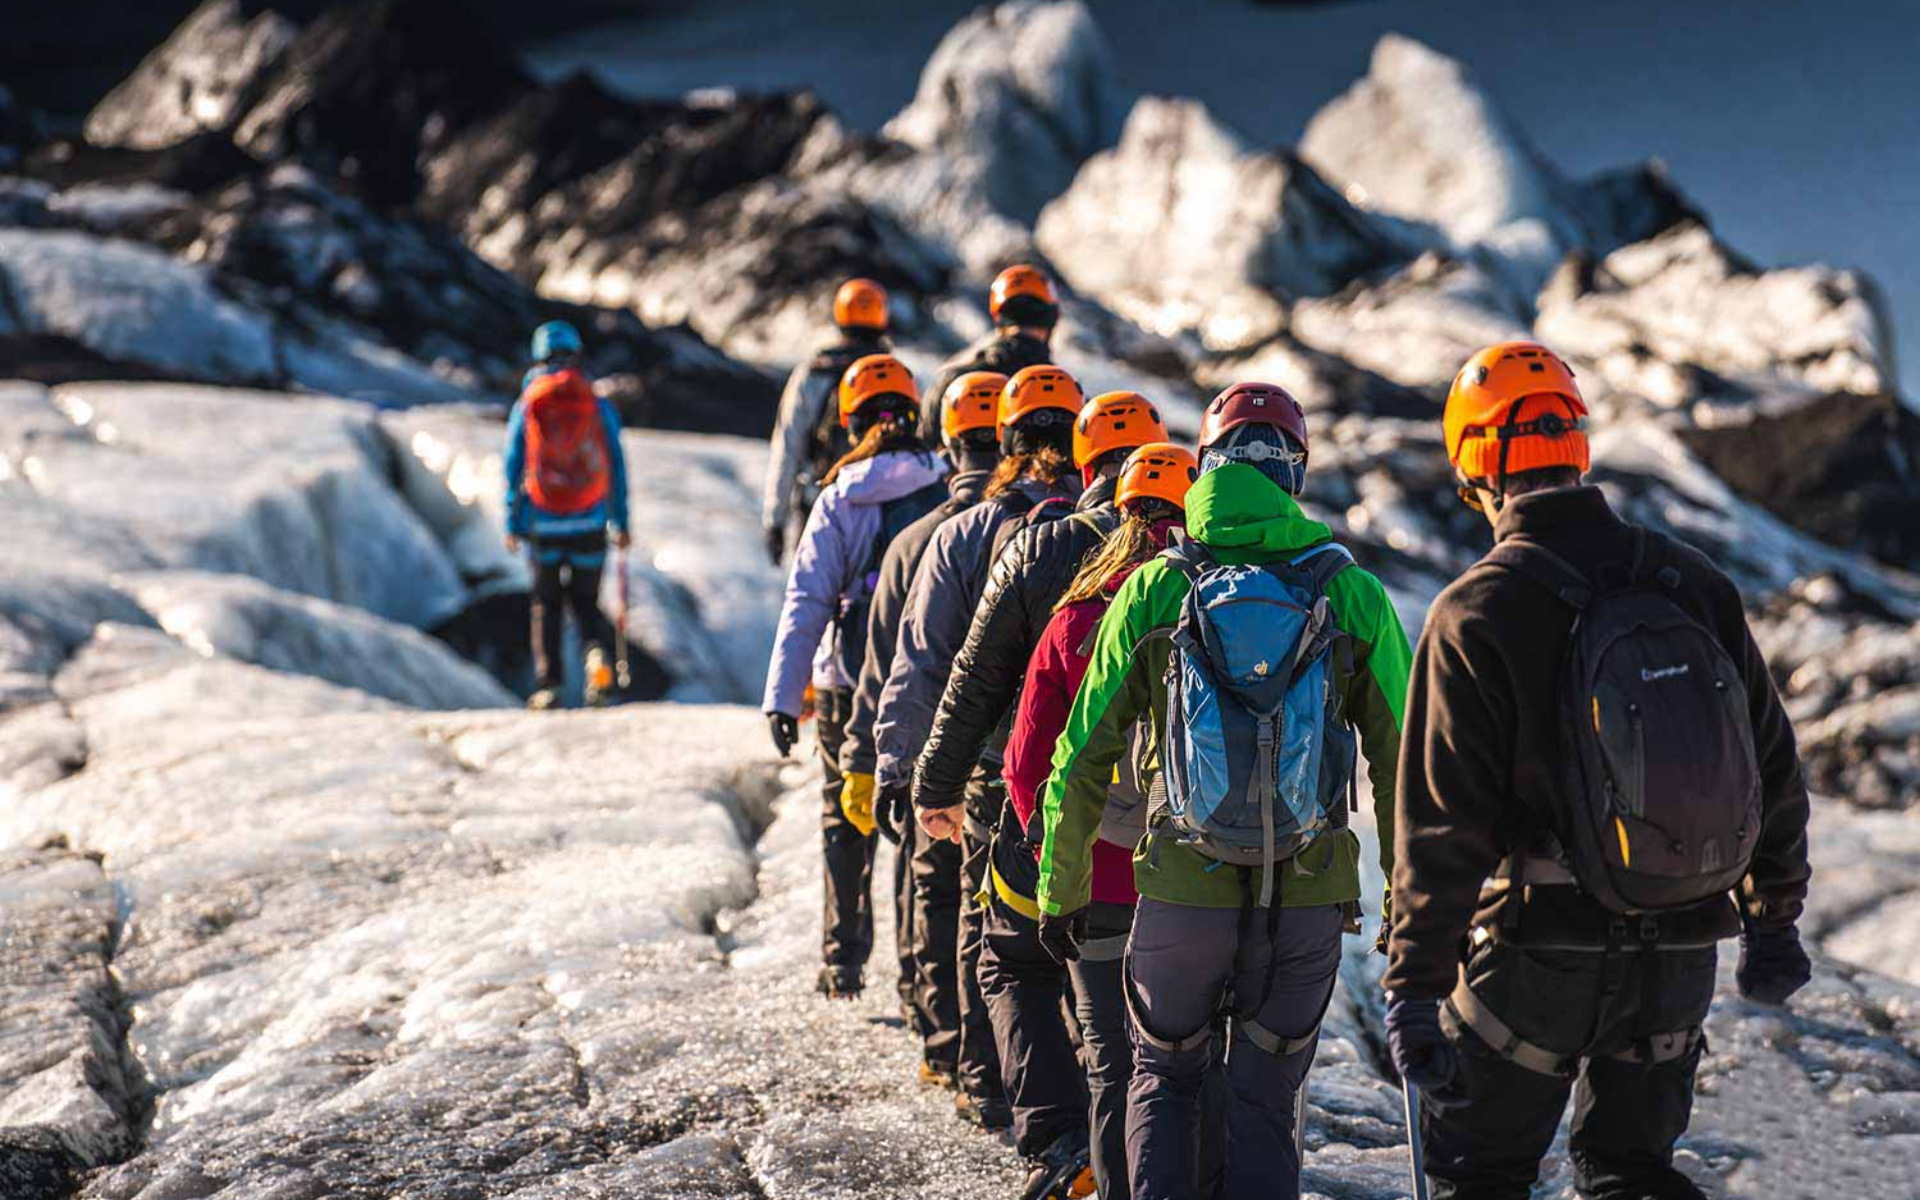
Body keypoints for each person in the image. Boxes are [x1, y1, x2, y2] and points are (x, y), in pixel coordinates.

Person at [1383, 341, 1814, 1200]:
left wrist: (1413, 989)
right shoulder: (1693, 582)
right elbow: (1770, 762)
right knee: (1632, 1173)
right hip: (1681, 953)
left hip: (1534, 963)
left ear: (1473, 463)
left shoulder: (1475, 611)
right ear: (1576, 444)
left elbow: (1443, 826)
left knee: (1480, 1176)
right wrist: (1774, 923)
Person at [1036, 383, 1411, 1200]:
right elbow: (1406, 768)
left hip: (1178, 886)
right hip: (1306, 893)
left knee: (1165, 1080)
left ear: (1204, 468)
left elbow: (1081, 752)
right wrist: (1412, 906)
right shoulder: (1349, 591)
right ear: (1296, 475)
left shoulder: (1156, 587)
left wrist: (1061, 889)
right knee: (1266, 1102)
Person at [911, 392, 1171, 1191]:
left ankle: (1061, 1144)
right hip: (1168, 831)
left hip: (1033, 808)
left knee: (1014, 963)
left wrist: (937, 783)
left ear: (1089, 465)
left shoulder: (1038, 547)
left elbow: (976, 680)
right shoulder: (1196, 563)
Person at [876, 363, 1086, 1129]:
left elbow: (931, 664)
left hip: (992, 769)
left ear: (1004, 438)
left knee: (984, 923)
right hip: (1095, 773)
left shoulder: (961, 536)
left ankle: (985, 1078)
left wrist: (909, 768)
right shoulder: (1108, 529)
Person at [1002, 442, 1198, 1200]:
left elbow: (1026, 762)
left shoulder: (1076, 617)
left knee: (1113, 1062)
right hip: (1194, 876)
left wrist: (1059, 853)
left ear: (1117, 510)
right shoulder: (1209, 605)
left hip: (1095, 877)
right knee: (1189, 1061)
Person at [837, 371, 1006, 1087]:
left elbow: (889, 667)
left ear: (947, 441)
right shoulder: (1033, 531)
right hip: (1005, 759)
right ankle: (989, 1056)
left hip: (938, 757)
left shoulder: (914, 542)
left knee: (934, 891)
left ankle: (941, 1040)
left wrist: (874, 759)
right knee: (993, 911)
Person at [762, 354, 949, 1000]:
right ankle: (917, 972)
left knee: (846, 818)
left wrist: (784, 700)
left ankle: (842, 959)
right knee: (919, 823)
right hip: (926, 676)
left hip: (847, 681)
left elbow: (806, 600)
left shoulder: (840, 495)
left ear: (850, 421)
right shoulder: (944, 480)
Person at [504, 322, 629, 710]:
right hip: (590, 522)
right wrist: (620, 520)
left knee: (547, 605)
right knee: (586, 604)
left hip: (544, 522)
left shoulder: (528, 403)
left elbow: (513, 464)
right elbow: (615, 465)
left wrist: (514, 520)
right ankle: (598, 664)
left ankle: (550, 685)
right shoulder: (595, 402)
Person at [762, 278, 893, 564]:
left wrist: (775, 520)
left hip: (819, 503)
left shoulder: (812, 373)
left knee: (814, 598)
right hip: (883, 510)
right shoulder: (896, 377)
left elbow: (788, 446)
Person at [919, 265, 1059, 447]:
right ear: (1051, 318)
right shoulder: (1065, 390)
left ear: (998, 317)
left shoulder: (953, 381)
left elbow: (925, 454)